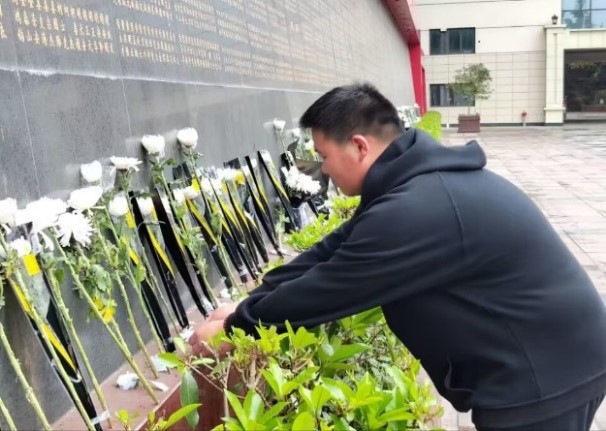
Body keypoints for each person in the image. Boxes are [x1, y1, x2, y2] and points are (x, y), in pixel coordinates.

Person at [191, 83, 606, 430]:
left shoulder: (418, 207)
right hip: (554, 358)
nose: (323, 170)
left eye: (323, 156)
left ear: (358, 146)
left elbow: (332, 287)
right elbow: (328, 252)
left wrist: (234, 328)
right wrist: (249, 303)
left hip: (543, 378)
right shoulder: (413, 187)